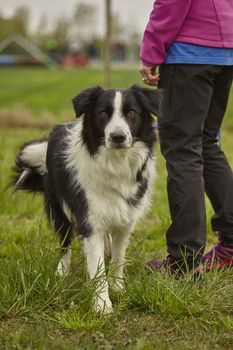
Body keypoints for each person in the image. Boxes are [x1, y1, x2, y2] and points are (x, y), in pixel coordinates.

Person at [139, 0, 233, 274]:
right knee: (204, 143)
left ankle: (184, 260)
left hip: (190, 54)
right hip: (225, 50)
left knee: (183, 150)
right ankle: (231, 244)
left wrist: (152, 50)